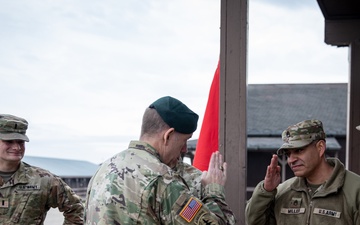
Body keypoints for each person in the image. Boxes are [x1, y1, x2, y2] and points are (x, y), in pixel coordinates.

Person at [85, 96, 236, 224]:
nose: (184, 149)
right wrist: (214, 190)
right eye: (184, 141)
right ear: (168, 136)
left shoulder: (103, 170)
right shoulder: (162, 180)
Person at [245, 119, 360, 225]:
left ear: (320, 148)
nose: (291, 160)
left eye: (299, 150)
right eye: (288, 154)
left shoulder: (355, 190)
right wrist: (266, 191)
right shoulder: (283, 191)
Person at [0, 114, 84, 225]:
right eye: (9, 141)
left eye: (21, 142)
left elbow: (76, 208)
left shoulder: (43, 180)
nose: (17, 147)